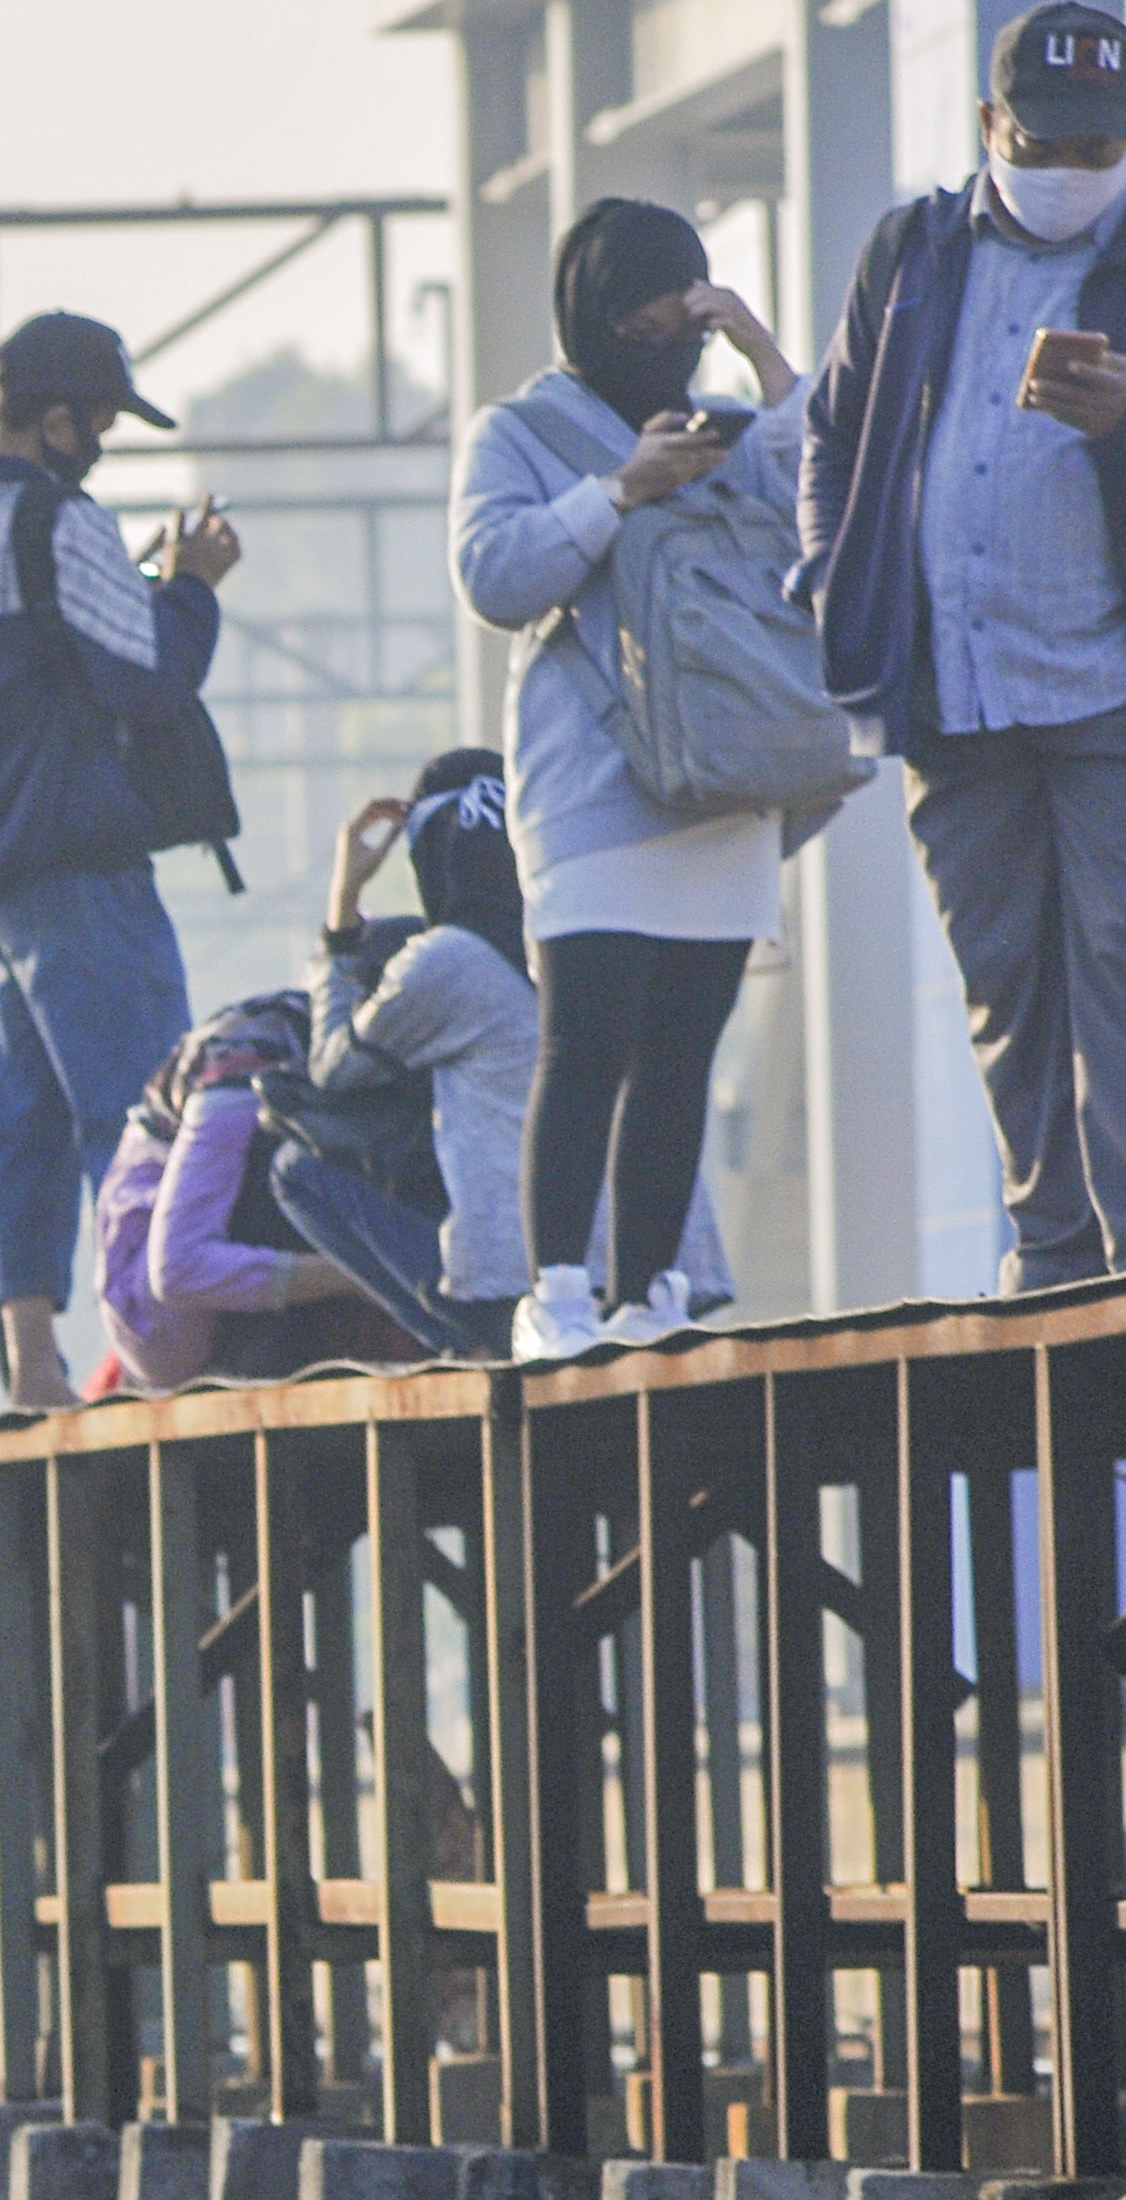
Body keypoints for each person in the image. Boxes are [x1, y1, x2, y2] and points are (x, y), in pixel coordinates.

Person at [798, 4, 1126, 1294]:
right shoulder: (908, 255)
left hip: (1120, 689)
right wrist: (823, 578)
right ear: (988, 130)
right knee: (1007, 983)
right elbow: (831, 437)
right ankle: (1056, 1252)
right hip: (952, 692)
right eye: (1048, 143)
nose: (1074, 173)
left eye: (1100, 148)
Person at [454, 197, 810, 1359]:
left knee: (681, 1056)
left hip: (719, 780)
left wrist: (760, 353)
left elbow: (827, 492)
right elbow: (495, 574)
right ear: (599, 313)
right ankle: (555, 1291)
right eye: (653, 314)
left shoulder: (724, 417)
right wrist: (618, 491)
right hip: (593, 788)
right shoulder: (513, 433)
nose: (674, 339)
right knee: (586, 1039)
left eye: (691, 315)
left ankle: (649, 1291)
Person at [0, 313, 231, 1410]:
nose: (103, 445)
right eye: (102, 422)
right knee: (131, 1115)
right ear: (58, 418)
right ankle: (154, 1353)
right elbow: (141, 676)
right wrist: (190, 583)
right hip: (75, 864)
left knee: (18, 1132)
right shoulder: (54, 519)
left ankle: (33, 1366)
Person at [282, 755, 538, 1360]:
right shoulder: (584, 939)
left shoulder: (450, 961)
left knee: (297, 1168)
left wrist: (343, 909)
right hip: (635, 1272)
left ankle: (463, 1342)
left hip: (513, 1289)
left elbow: (333, 1067)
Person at [95, 992, 421, 1395]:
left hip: (219, 1308)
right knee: (296, 1161)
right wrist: (359, 1275)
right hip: (163, 1322)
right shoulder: (249, 1057)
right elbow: (179, 1269)